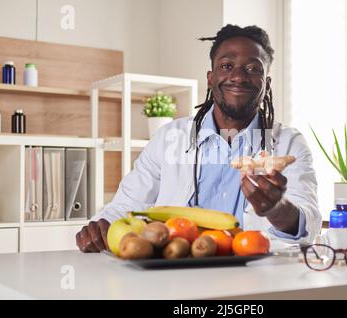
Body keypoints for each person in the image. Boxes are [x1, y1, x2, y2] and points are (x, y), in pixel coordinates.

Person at [76, 24, 321, 253]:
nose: (238, 76)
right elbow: (127, 204)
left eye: (253, 69)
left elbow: (308, 224)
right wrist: (100, 226)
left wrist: (276, 209)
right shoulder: (169, 138)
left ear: (266, 84)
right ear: (210, 78)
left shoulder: (290, 142)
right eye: (226, 66)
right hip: (177, 267)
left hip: (255, 274)